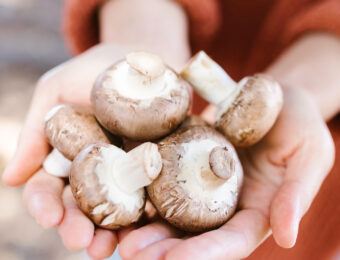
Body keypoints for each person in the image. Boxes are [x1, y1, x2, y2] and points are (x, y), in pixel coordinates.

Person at [2, 0, 340, 259]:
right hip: (141, 209)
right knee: (134, 247)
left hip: (303, 190)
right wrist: (142, 30)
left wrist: (307, 90)